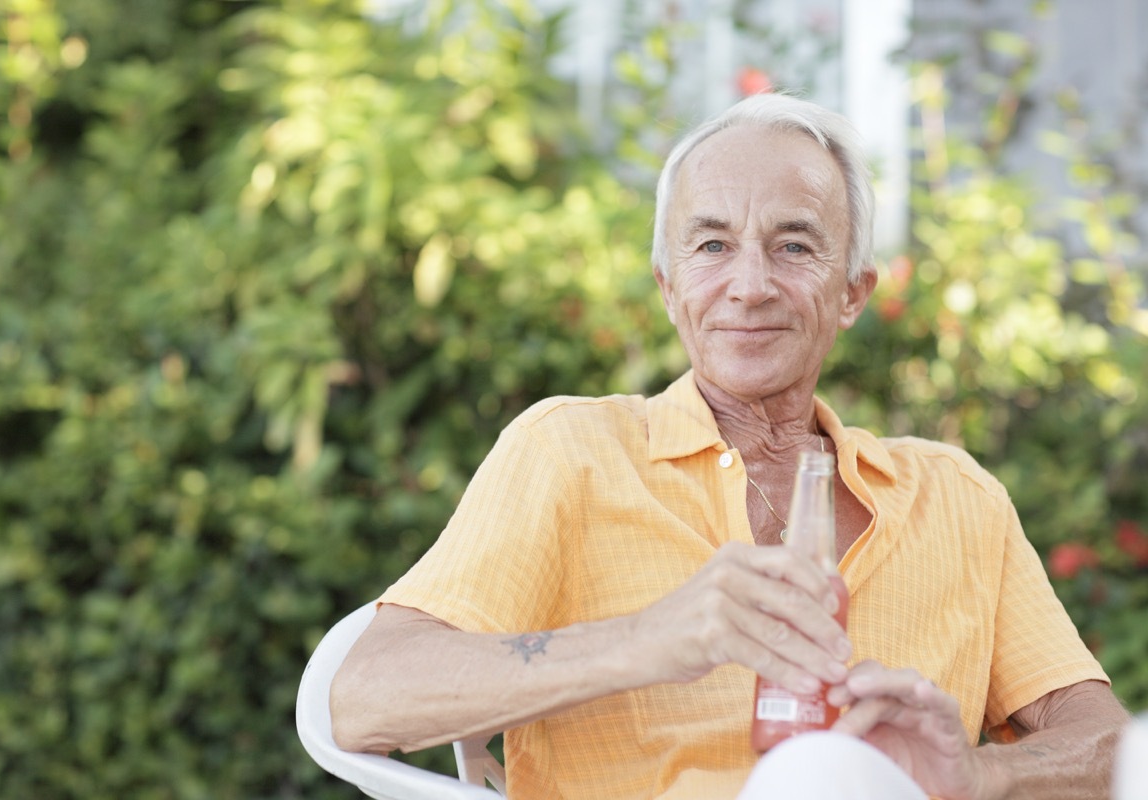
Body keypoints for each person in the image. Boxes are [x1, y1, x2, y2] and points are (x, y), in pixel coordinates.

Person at [329, 93, 1129, 799]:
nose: (750, 285)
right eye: (711, 246)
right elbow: (365, 695)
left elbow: (1107, 745)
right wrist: (651, 639)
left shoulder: (955, 496)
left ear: (852, 292)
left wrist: (981, 774)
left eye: (793, 246)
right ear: (668, 285)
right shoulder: (570, 452)